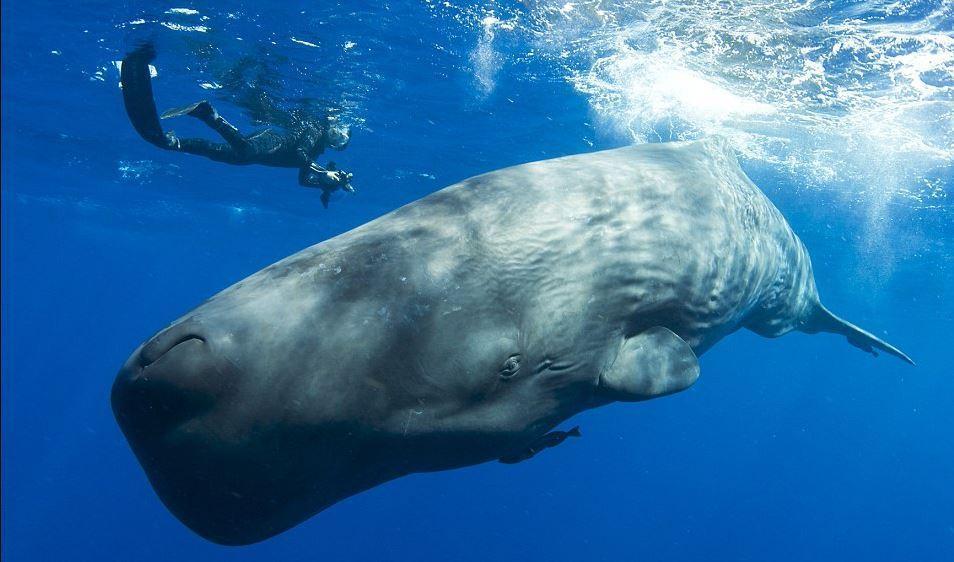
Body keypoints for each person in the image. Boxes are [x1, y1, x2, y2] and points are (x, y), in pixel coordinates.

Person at [120, 43, 354, 208]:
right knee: (244, 151)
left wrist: (323, 184)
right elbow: (301, 152)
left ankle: (171, 141)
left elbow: (303, 180)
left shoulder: (317, 152)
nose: (339, 139)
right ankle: (208, 114)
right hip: (272, 140)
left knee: (225, 154)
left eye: (341, 142)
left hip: (258, 155)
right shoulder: (315, 128)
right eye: (342, 134)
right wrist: (323, 172)